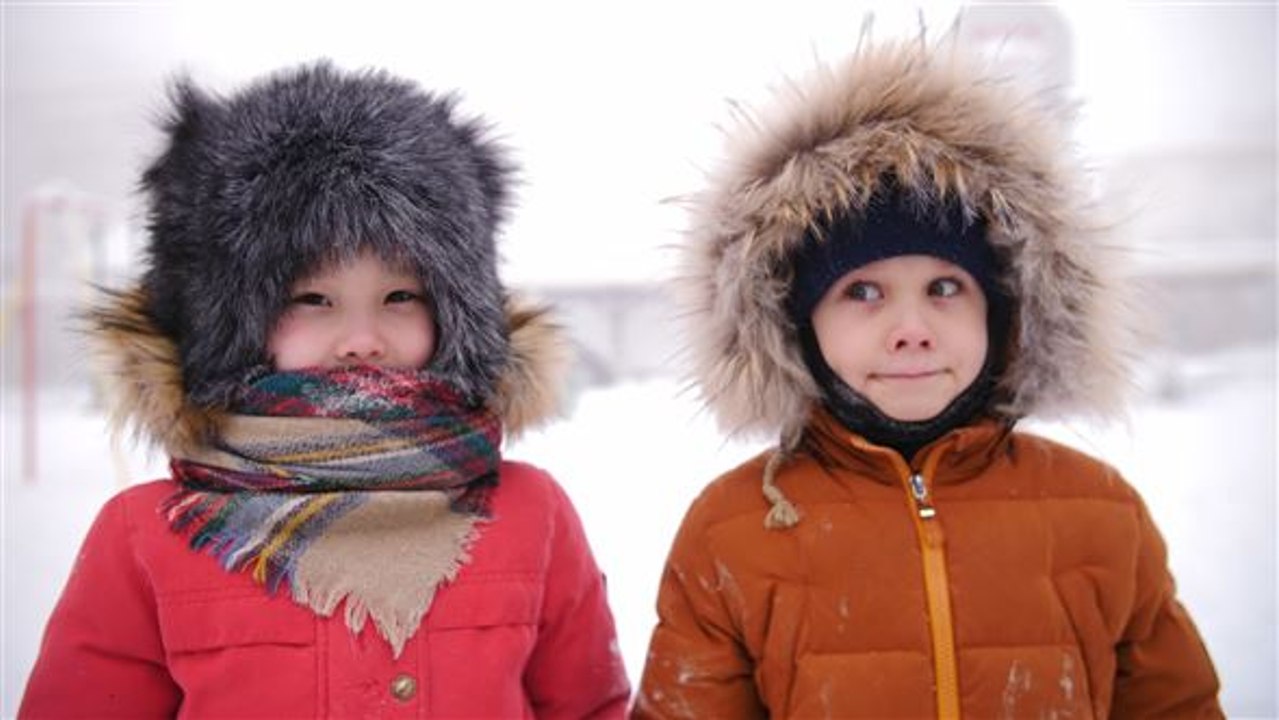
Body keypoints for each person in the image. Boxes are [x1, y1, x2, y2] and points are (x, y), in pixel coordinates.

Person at [632, 37, 1222, 719]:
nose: (910, 328)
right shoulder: (732, 528)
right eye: (862, 293)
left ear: (1002, 313)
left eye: (944, 287)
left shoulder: (1099, 513)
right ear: (796, 323)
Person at [20, 61, 629, 718]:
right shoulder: (144, 537)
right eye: (313, 299)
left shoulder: (530, 513)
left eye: (400, 296)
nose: (362, 338)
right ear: (230, 321)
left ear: (456, 313)